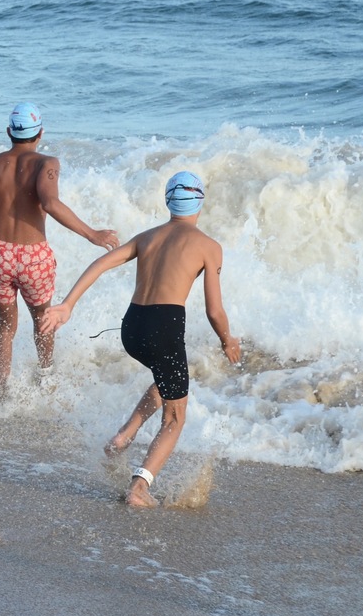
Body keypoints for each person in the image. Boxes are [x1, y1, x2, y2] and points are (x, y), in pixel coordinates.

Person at [40, 172, 242, 508]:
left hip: (132, 328)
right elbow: (214, 310)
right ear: (201, 203)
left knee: (167, 380)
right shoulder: (209, 246)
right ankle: (139, 487)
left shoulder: (147, 237)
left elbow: (101, 263)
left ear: (167, 201)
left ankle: (123, 437)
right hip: (164, 326)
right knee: (176, 418)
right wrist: (227, 340)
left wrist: (67, 304)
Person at [0, 103, 118, 398]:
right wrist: (92, 234)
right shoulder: (47, 164)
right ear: (40, 133)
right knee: (43, 318)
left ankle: (2, 391)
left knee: (3, 327)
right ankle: (45, 377)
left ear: (8, 132)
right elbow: (50, 203)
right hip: (32, 256)